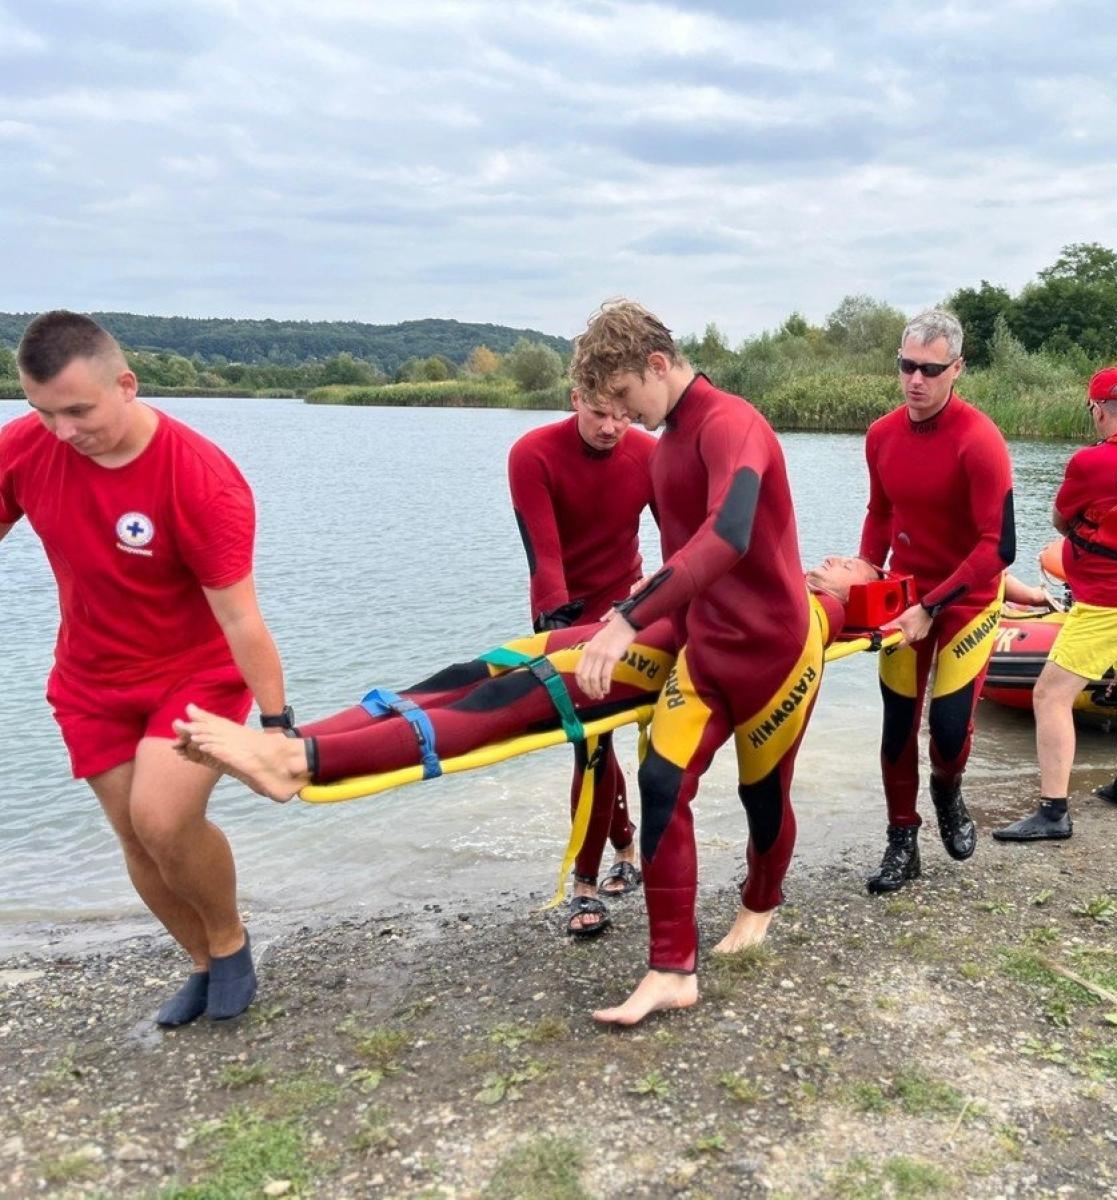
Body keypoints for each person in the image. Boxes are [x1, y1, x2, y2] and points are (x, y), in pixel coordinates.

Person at [0, 311, 289, 1026]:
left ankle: (230, 942)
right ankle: (199, 961)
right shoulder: (26, 448)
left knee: (162, 818)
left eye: (77, 410)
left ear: (125, 385)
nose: (63, 432)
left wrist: (278, 726)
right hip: (89, 680)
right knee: (131, 834)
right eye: (43, 412)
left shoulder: (200, 477)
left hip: (197, 674)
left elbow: (240, 619)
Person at [568, 299, 820, 1025]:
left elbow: (729, 536)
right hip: (706, 650)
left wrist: (626, 617)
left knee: (762, 796)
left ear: (656, 364)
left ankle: (760, 903)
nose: (621, 416)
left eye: (622, 397)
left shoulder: (732, 424)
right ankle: (672, 968)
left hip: (776, 650)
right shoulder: (667, 441)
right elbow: (675, 558)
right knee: (660, 782)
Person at [174, 555, 883, 805]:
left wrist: (660, 603)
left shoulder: (823, 608)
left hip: (615, 668)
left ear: (862, 589)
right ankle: (291, 741)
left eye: (850, 560)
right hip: (577, 640)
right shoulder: (790, 583)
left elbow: (766, 637)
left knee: (487, 705)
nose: (831, 558)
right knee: (449, 681)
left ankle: (298, 760)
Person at [993, 367, 1117, 843]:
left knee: (1050, 694)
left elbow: (1062, 520)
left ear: (1098, 410)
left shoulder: (1090, 463)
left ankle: (1053, 811)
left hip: (1107, 601)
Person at [858, 310, 1015, 893]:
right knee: (898, 724)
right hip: (907, 596)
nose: (915, 380)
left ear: (957, 369)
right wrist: (868, 576)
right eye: (907, 366)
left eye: (930, 369)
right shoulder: (880, 435)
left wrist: (935, 605)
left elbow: (999, 547)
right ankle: (903, 840)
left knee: (947, 730)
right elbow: (879, 514)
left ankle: (948, 789)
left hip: (968, 598)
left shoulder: (979, 441)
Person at [508, 387, 656, 935]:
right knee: (589, 743)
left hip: (627, 616)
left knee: (609, 739)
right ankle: (603, 865)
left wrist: (653, 605)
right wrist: (561, 637)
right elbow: (543, 558)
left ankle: (610, 861)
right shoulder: (534, 454)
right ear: (575, 398)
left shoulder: (647, 454)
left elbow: (684, 540)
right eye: (598, 412)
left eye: (625, 414)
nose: (612, 427)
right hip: (563, 615)